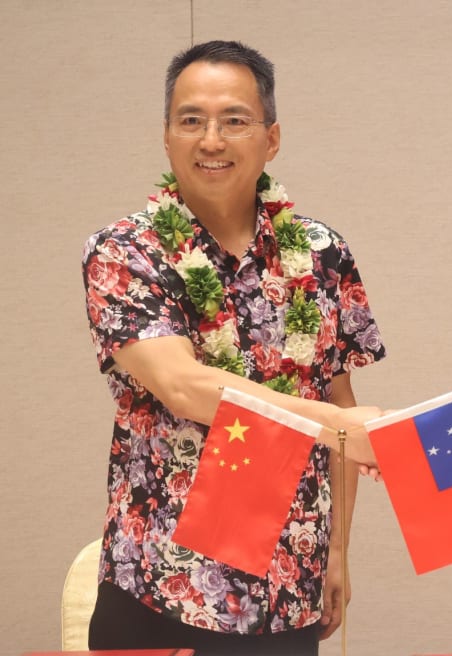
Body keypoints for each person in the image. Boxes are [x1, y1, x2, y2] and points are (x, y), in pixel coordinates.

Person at [81, 40, 384, 656]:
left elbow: (340, 393)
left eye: (234, 121)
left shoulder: (323, 254)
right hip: (158, 581)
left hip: (285, 582)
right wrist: (339, 426)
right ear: (166, 137)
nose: (211, 140)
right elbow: (186, 387)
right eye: (191, 120)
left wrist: (338, 551)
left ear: (271, 139)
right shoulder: (124, 253)